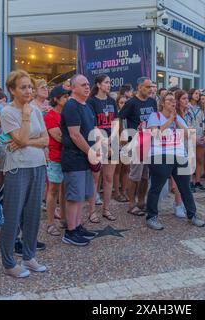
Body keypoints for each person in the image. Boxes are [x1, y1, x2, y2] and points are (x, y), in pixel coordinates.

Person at [0, 70, 49, 278]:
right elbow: (18, 138)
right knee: (12, 214)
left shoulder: (36, 110)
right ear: (12, 90)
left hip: (38, 165)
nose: (28, 90)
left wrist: (26, 142)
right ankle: (9, 262)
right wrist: (27, 118)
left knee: (33, 213)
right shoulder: (8, 112)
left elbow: (45, 140)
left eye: (30, 86)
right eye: (23, 87)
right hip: (17, 167)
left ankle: (29, 257)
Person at [145, 92, 205, 230]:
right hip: (160, 155)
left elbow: (188, 134)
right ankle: (151, 216)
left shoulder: (178, 117)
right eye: (169, 100)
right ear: (162, 103)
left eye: (174, 101)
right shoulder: (155, 116)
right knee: (156, 188)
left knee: (185, 187)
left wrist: (176, 120)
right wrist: (169, 121)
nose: (173, 103)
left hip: (178, 154)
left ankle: (192, 215)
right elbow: (155, 133)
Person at [60, 74, 99, 246]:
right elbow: (75, 135)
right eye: (83, 84)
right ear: (73, 88)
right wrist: (90, 152)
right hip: (74, 158)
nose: (87, 87)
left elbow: (91, 130)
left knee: (82, 195)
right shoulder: (71, 106)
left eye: (88, 84)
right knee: (74, 197)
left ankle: (78, 226)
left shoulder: (87, 106)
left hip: (85, 157)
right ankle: (70, 231)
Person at [119, 77, 157, 216]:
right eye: (147, 87)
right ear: (139, 87)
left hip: (150, 141)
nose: (150, 89)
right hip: (136, 142)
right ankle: (131, 204)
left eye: (151, 87)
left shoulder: (152, 101)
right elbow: (120, 117)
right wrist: (122, 135)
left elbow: (155, 118)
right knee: (135, 175)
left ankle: (141, 201)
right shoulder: (131, 103)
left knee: (145, 176)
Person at [87, 75, 119, 223]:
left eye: (109, 82)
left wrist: (113, 143)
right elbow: (93, 125)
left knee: (108, 178)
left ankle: (106, 209)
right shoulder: (91, 101)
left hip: (112, 143)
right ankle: (92, 211)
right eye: (106, 82)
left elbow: (116, 123)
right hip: (97, 143)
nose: (109, 85)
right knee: (95, 179)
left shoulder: (112, 101)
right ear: (99, 85)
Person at [44, 85, 70, 236]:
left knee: (65, 190)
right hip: (55, 157)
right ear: (56, 99)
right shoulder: (50, 116)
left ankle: (64, 219)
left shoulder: (67, 114)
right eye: (64, 96)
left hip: (67, 157)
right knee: (53, 190)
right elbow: (58, 137)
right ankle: (50, 223)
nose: (67, 99)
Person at [186, 88, 205, 193]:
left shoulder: (202, 108)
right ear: (191, 94)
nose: (197, 95)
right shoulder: (186, 106)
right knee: (191, 160)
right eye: (195, 93)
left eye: (199, 94)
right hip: (190, 136)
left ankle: (198, 181)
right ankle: (190, 181)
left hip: (201, 135)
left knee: (199, 160)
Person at [113, 94, 130, 203]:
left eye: (125, 103)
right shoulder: (116, 116)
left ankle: (124, 191)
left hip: (128, 144)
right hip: (118, 143)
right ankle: (117, 193)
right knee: (117, 169)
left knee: (126, 169)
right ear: (117, 104)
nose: (123, 105)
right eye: (121, 102)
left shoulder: (129, 115)